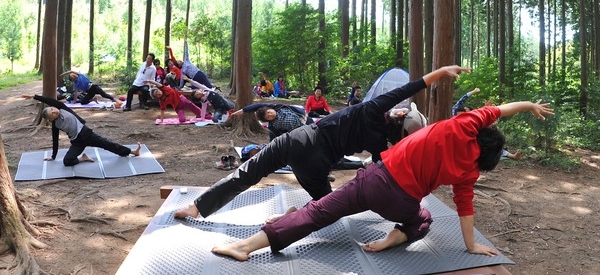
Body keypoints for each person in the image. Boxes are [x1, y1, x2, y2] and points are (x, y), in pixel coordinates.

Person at [211, 100, 553, 261]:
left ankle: (245, 247)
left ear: (478, 130)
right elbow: (466, 208)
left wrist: (528, 106)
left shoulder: (462, 125)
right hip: (402, 203)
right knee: (424, 218)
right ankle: (395, 237)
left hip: (374, 180)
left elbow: (499, 110)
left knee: (319, 213)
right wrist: (471, 246)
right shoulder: (471, 172)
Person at [173, 65, 467, 222]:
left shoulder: (372, 108)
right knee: (325, 209)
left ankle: (197, 207)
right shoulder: (383, 145)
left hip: (297, 140)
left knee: (247, 172)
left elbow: (410, 86)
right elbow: (385, 174)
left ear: (398, 114)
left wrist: (440, 73)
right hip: (316, 164)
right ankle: (290, 218)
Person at [22, 95, 141, 166]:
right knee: (67, 161)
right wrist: (53, 156)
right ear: (50, 119)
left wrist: (34, 96)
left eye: (53, 109)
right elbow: (55, 140)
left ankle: (132, 152)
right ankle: (83, 158)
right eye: (52, 113)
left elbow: (50, 101)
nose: (54, 111)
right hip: (77, 142)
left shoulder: (63, 108)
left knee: (107, 144)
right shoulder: (56, 125)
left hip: (86, 134)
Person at [454, 89, 522, 161]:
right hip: (458, 143)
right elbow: (461, 101)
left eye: (467, 110)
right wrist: (473, 92)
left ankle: (512, 156)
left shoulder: (473, 120)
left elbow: (484, 117)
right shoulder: (454, 117)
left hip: (473, 143)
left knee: (490, 143)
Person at [230, 102, 311, 141]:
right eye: (268, 117)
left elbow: (257, 105)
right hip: (299, 133)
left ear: (270, 109)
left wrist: (242, 110)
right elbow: (274, 140)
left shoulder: (278, 107)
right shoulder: (274, 126)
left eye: (269, 112)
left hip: (305, 120)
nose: (270, 115)